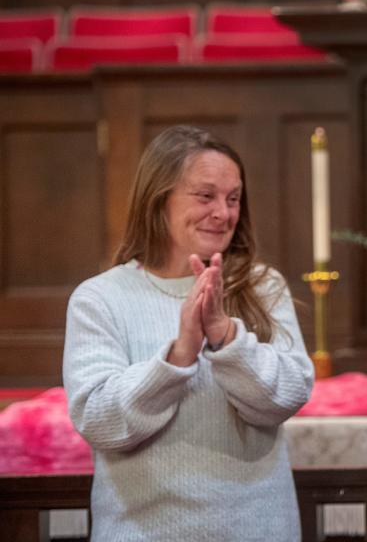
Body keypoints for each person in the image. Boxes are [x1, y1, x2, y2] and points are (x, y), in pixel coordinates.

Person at [62, 126, 313, 541]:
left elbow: (288, 395)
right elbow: (100, 420)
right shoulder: (101, 299)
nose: (223, 212)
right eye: (205, 195)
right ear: (158, 199)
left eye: (233, 198)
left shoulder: (262, 286)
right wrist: (179, 356)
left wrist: (225, 336)